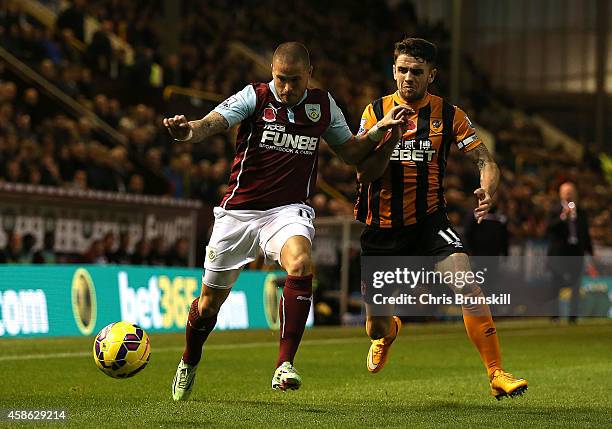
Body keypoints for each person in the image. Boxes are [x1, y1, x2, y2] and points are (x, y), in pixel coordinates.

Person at [163, 42, 409, 400]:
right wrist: (187, 131)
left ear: (310, 74)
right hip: (238, 213)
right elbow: (211, 123)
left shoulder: (323, 105)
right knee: (207, 307)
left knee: (301, 262)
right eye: (281, 79)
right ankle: (189, 359)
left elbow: (351, 153)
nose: (287, 88)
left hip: (286, 212)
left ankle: (284, 364)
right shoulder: (256, 97)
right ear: (272, 74)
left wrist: (377, 132)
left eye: (294, 80)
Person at [355, 38, 528, 399]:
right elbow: (363, 173)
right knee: (375, 325)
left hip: (430, 221)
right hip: (381, 228)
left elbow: (486, 161)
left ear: (431, 75)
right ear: (393, 71)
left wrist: (487, 189)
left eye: (416, 72)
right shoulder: (374, 112)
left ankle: (496, 373)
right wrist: (385, 136)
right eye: (402, 70)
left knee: (467, 284)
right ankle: (389, 332)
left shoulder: (450, 115)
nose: (407, 78)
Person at [546, 181, 593, 323]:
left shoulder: (581, 211)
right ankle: (555, 316)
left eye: (571, 191)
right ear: (561, 194)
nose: (568, 194)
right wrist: (563, 217)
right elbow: (550, 228)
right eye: (566, 191)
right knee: (556, 284)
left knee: (576, 285)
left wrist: (589, 250)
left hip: (576, 252)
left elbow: (585, 233)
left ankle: (573, 316)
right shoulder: (554, 210)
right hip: (559, 253)